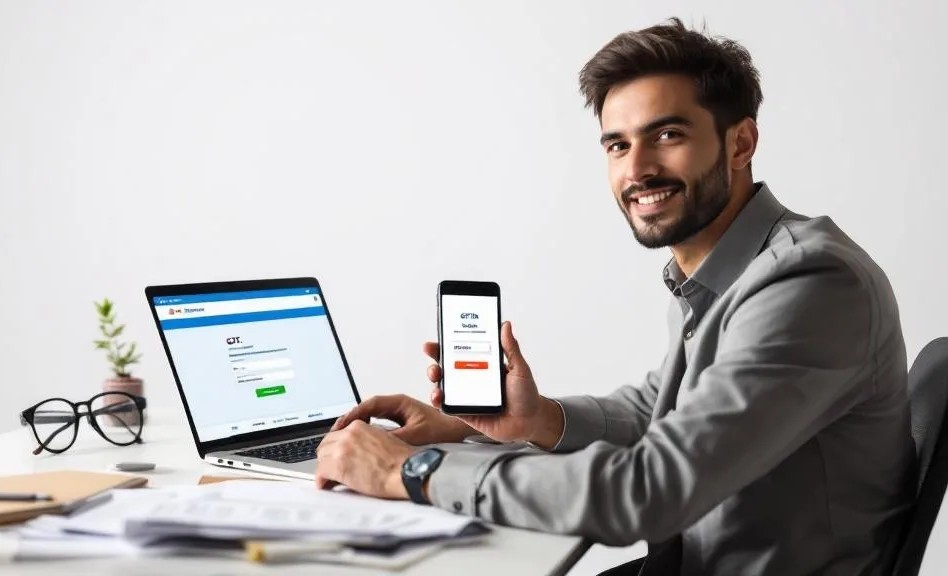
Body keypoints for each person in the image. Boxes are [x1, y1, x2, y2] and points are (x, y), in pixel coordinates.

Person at [313, 17, 917, 576]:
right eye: (617, 145)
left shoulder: (809, 283)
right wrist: (532, 421)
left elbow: (648, 492)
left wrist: (408, 471)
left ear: (740, 144)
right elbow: (659, 411)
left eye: (668, 135)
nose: (638, 170)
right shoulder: (726, 272)